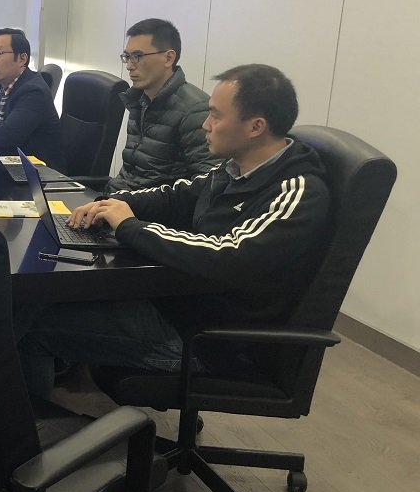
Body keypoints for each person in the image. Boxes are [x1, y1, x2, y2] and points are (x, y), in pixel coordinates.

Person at [19, 64, 330, 398]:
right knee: (36, 304)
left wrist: (130, 227)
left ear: (256, 127)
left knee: (31, 325)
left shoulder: (297, 191)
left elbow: (229, 253)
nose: (205, 125)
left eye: (215, 116)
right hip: (175, 305)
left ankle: (31, 426)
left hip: (208, 341)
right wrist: (112, 203)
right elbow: (175, 195)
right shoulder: (234, 170)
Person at [108, 18, 220, 191]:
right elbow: (131, 173)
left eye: (137, 56)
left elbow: (206, 185)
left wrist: (126, 202)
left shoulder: (195, 111)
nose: (129, 66)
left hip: (147, 206)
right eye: (127, 57)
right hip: (119, 198)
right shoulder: (139, 100)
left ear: (168, 58)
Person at [0, 28, 64, 170]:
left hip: (39, 173)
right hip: (10, 164)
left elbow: (6, 137)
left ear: (22, 59)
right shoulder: (0, 86)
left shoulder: (33, 91)